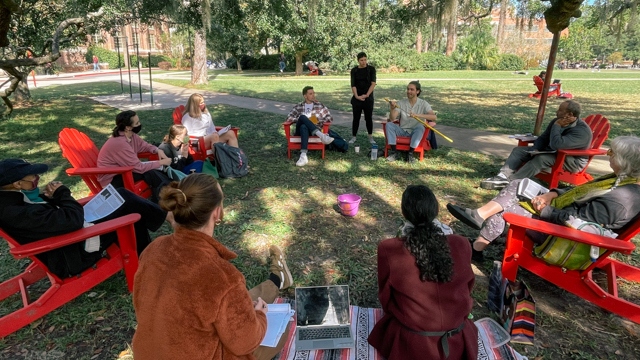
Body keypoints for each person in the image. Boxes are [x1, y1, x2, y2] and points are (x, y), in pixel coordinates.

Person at [132, 174, 294, 360]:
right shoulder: (222, 276)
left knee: (241, 303)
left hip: (147, 352)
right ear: (217, 213)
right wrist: (261, 317)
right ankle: (277, 280)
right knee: (284, 327)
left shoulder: (153, 249)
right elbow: (245, 342)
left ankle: (277, 280)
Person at [448, 136, 640, 262]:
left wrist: (544, 210)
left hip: (563, 238)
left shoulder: (620, 200)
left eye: (612, 153)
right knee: (519, 183)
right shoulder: (620, 182)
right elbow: (580, 195)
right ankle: (479, 216)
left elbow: (578, 224)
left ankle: (476, 249)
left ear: (625, 161)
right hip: (560, 216)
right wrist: (552, 194)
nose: (608, 156)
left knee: (506, 210)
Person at [0, 158, 168, 280]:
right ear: (17, 184)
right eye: (33, 178)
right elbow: (71, 221)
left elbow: (51, 218)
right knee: (129, 212)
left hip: (72, 238)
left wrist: (53, 198)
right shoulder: (14, 212)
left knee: (123, 197)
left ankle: (148, 256)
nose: (37, 178)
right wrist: (62, 194)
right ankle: (168, 222)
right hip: (74, 252)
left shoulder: (15, 200)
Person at [368, 185, 478, 360]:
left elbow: (386, 298)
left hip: (411, 345)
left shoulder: (389, 248)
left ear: (404, 213)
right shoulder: (461, 243)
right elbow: (468, 287)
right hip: (458, 342)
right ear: (436, 210)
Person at [481, 100, 592, 190]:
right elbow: (543, 138)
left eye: (560, 110)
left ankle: (511, 182)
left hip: (572, 161)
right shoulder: (557, 121)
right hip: (555, 153)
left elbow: (557, 145)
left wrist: (557, 126)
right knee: (519, 150)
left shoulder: (581, 131)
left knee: (542, 158)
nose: (556, 112)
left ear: (569, 114)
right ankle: (502, 176)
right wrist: (535, 149)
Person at [97, 110, 173, 203]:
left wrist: (158, 150)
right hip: (113, 180)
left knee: (154, 172)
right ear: (128, 127)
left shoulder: (131, 136)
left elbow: (144, 146)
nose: (140, 124)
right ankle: (168, 197)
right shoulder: (120, 143)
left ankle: (167, 195)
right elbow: (139, 168)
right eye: (137, 123)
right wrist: (161, 162)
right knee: (151, 173)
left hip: (125, 171)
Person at [385, 81, 437, 163]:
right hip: (402, 131)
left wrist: (418, 115)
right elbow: (392, 118)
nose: (409, 91)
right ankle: (394, 152)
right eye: (408, 89)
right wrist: (392, 108)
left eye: (412, 89)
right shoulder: (401, 103)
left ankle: (410, 154)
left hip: (415, 132)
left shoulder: (423, 103)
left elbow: (434, 117)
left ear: (418, 91)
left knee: (421, 127)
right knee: (389, 125)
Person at [285, 86, 335, 166]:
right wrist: (300, 120)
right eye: (311, 94)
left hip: (312, 131)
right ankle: (321, 136)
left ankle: (303, 156)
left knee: (304, 126)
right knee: (302, 118)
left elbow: (329, 117)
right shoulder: (299, 106)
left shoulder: (320, 106)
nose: (313, 95)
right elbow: (289, 117)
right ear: (305, 96)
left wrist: (317, 120)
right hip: (299, 132)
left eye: (313, 93)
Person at [350, 52, 377, 145]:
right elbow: (353, 85)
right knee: (356, 118)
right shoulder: (354, 70)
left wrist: (367, 95)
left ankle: (370, 137)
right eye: (361, 60)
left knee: (368, 117)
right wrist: (357, 96)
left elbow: (373, 83)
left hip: (368, 98)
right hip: (357, 97)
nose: (364, 62)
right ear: (358, 61)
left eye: (365, 59)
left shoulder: (371, 69)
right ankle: (354, 137)